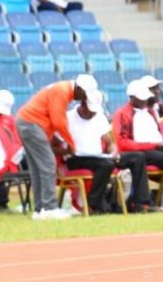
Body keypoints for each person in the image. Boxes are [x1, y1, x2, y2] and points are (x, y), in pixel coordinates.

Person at [16, 74, 101, 220]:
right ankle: (49, 208)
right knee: (48, 164)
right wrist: (71, 144)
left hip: (27, 122)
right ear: (79, 88)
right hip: (32, 124)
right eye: (84, 95)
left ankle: (40, 208)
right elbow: (58, 121)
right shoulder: (62, 91)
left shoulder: (62, 89)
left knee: (38, 168)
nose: (83, 99)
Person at [62, 88, 124, 214]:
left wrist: (113, 152)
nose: (93, 114)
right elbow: (54, 145)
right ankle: (93, 204)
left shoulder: (99, 117)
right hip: (76, 157)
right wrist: (67, 151)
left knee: (128, 159)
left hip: (97, 157)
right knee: (106, 165)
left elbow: (110, 142)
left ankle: (102, 203)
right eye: (91, 110)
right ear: (83, 104)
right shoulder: (67, 118)